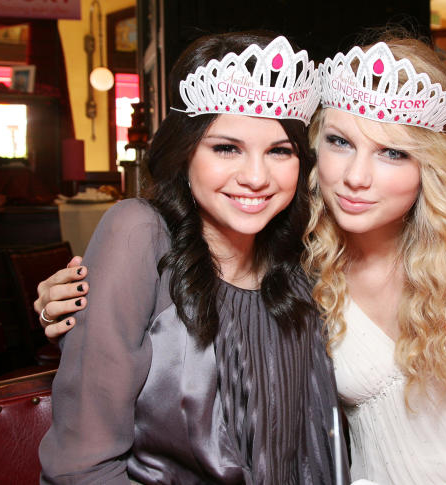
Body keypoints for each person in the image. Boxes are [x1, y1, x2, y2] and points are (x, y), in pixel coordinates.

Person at [37, 33, 446, 485]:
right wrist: (80, 301)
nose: (357, 176)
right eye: (340, 142)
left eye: (393, 151)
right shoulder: (296, 249)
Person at [37, 32, 349, 485]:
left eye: (280, 151)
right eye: (226, 148)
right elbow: (80, 469)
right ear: (184, 154)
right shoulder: (140, 235)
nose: (256, 178)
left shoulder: (309, 256)